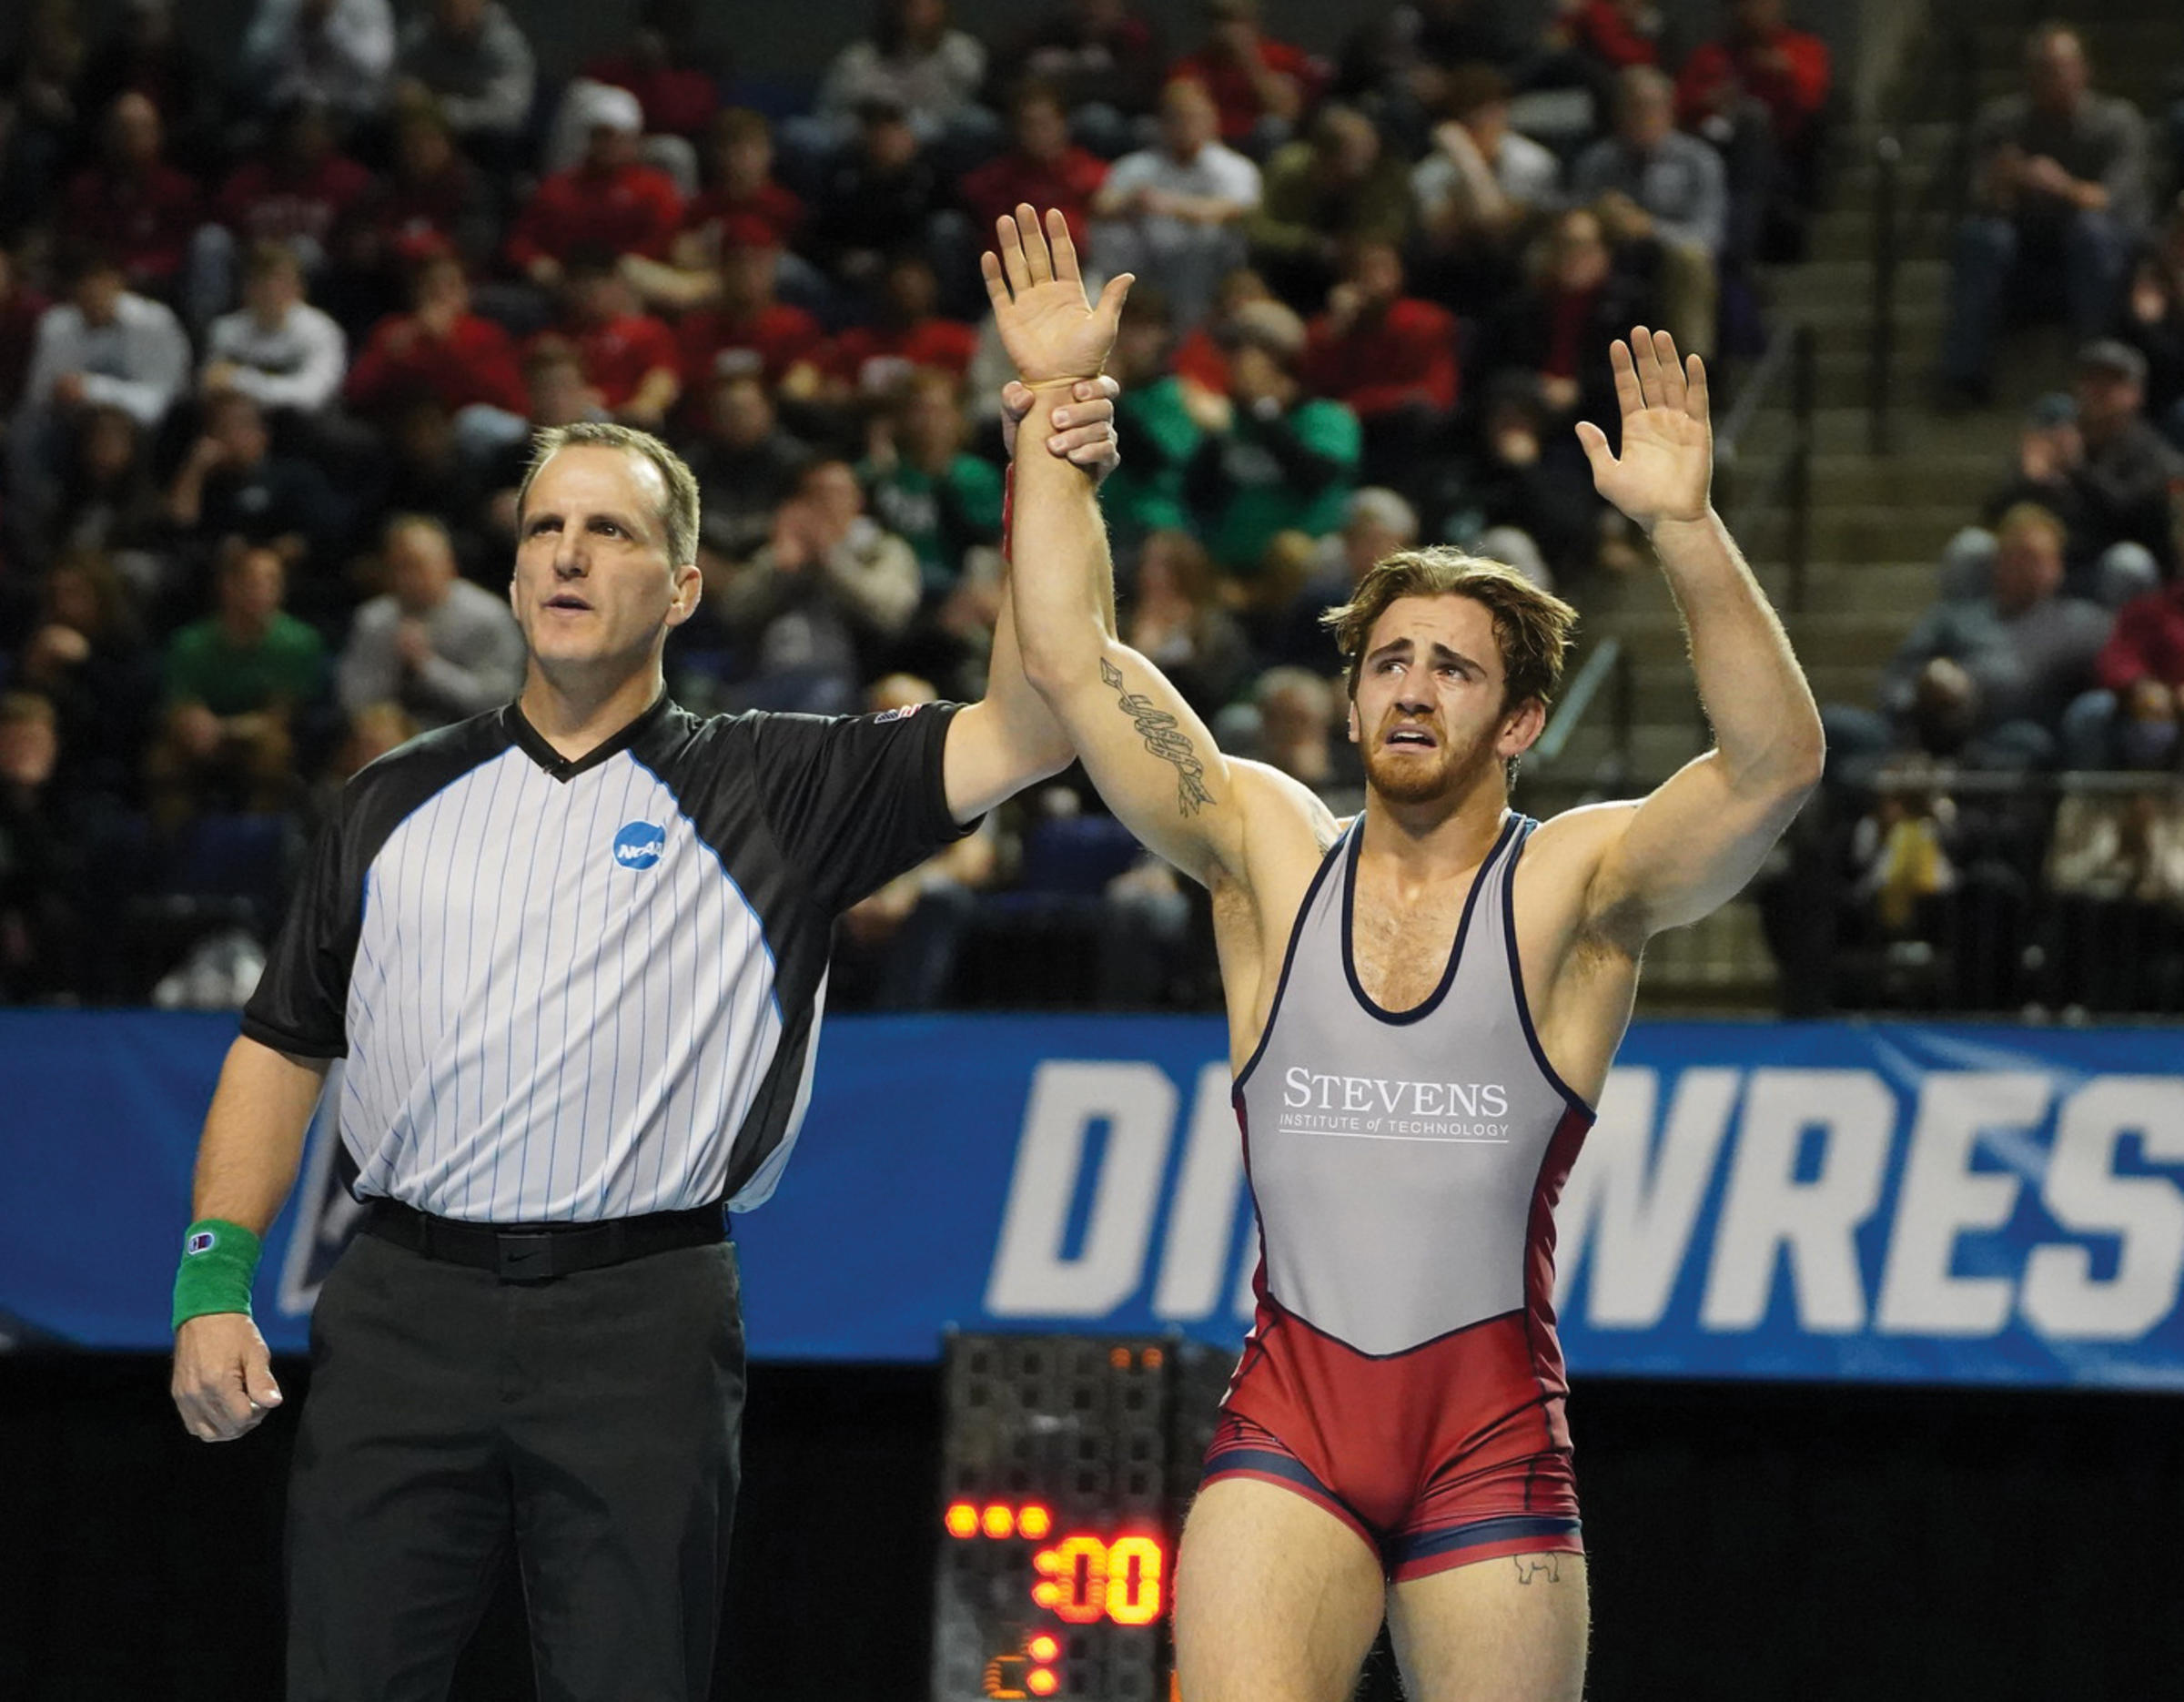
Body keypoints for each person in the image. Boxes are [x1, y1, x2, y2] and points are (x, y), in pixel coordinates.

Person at [986, 205, 1822, 1702]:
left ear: (1520, 721)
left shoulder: (1569, 888)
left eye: (1453, 667)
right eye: (1388, 662)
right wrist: (1054, 413)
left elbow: (1772, 769)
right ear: (1354, 696)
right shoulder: (1266, 851)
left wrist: (1686, 532)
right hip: (1289, 1435)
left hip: (1488, 1447)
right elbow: (1072, 663)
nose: (1412, 689)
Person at [165, 393, 1123, 1699]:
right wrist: (212, 1280)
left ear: (682, 588)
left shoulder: (780, 786)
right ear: (512, 575)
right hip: (400, 1311)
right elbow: (281, 1046)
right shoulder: (387, 798)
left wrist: (1047, 469)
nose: (567, 553)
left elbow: (1035, 723)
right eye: (543, 528)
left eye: (609, 531)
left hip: (643, 1318)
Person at [1940, 23, 2149, 406]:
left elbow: (2111, 200)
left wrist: (2060, 185)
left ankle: (2096, 369)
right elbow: (1979, 199)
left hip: (2096, 256)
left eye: (2059, 68)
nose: (2050, 79)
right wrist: (2006, 183)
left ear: (2084, 70)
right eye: (2040, 69)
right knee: (1981, 237)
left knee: (2092, 232)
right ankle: (1963, 377)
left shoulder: (2117, 122)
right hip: (2025, 255)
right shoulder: (2001, 122)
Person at [336, 512, 525, 728]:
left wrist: (427, 665)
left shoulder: (487, 617)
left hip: (471, 732)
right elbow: (354, 700)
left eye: (418, 565)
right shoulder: (375, 619)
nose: (408, 578)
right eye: (400, 566)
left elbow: (498, 701)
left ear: (449, 565)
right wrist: (391, 662)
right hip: (394, 735)